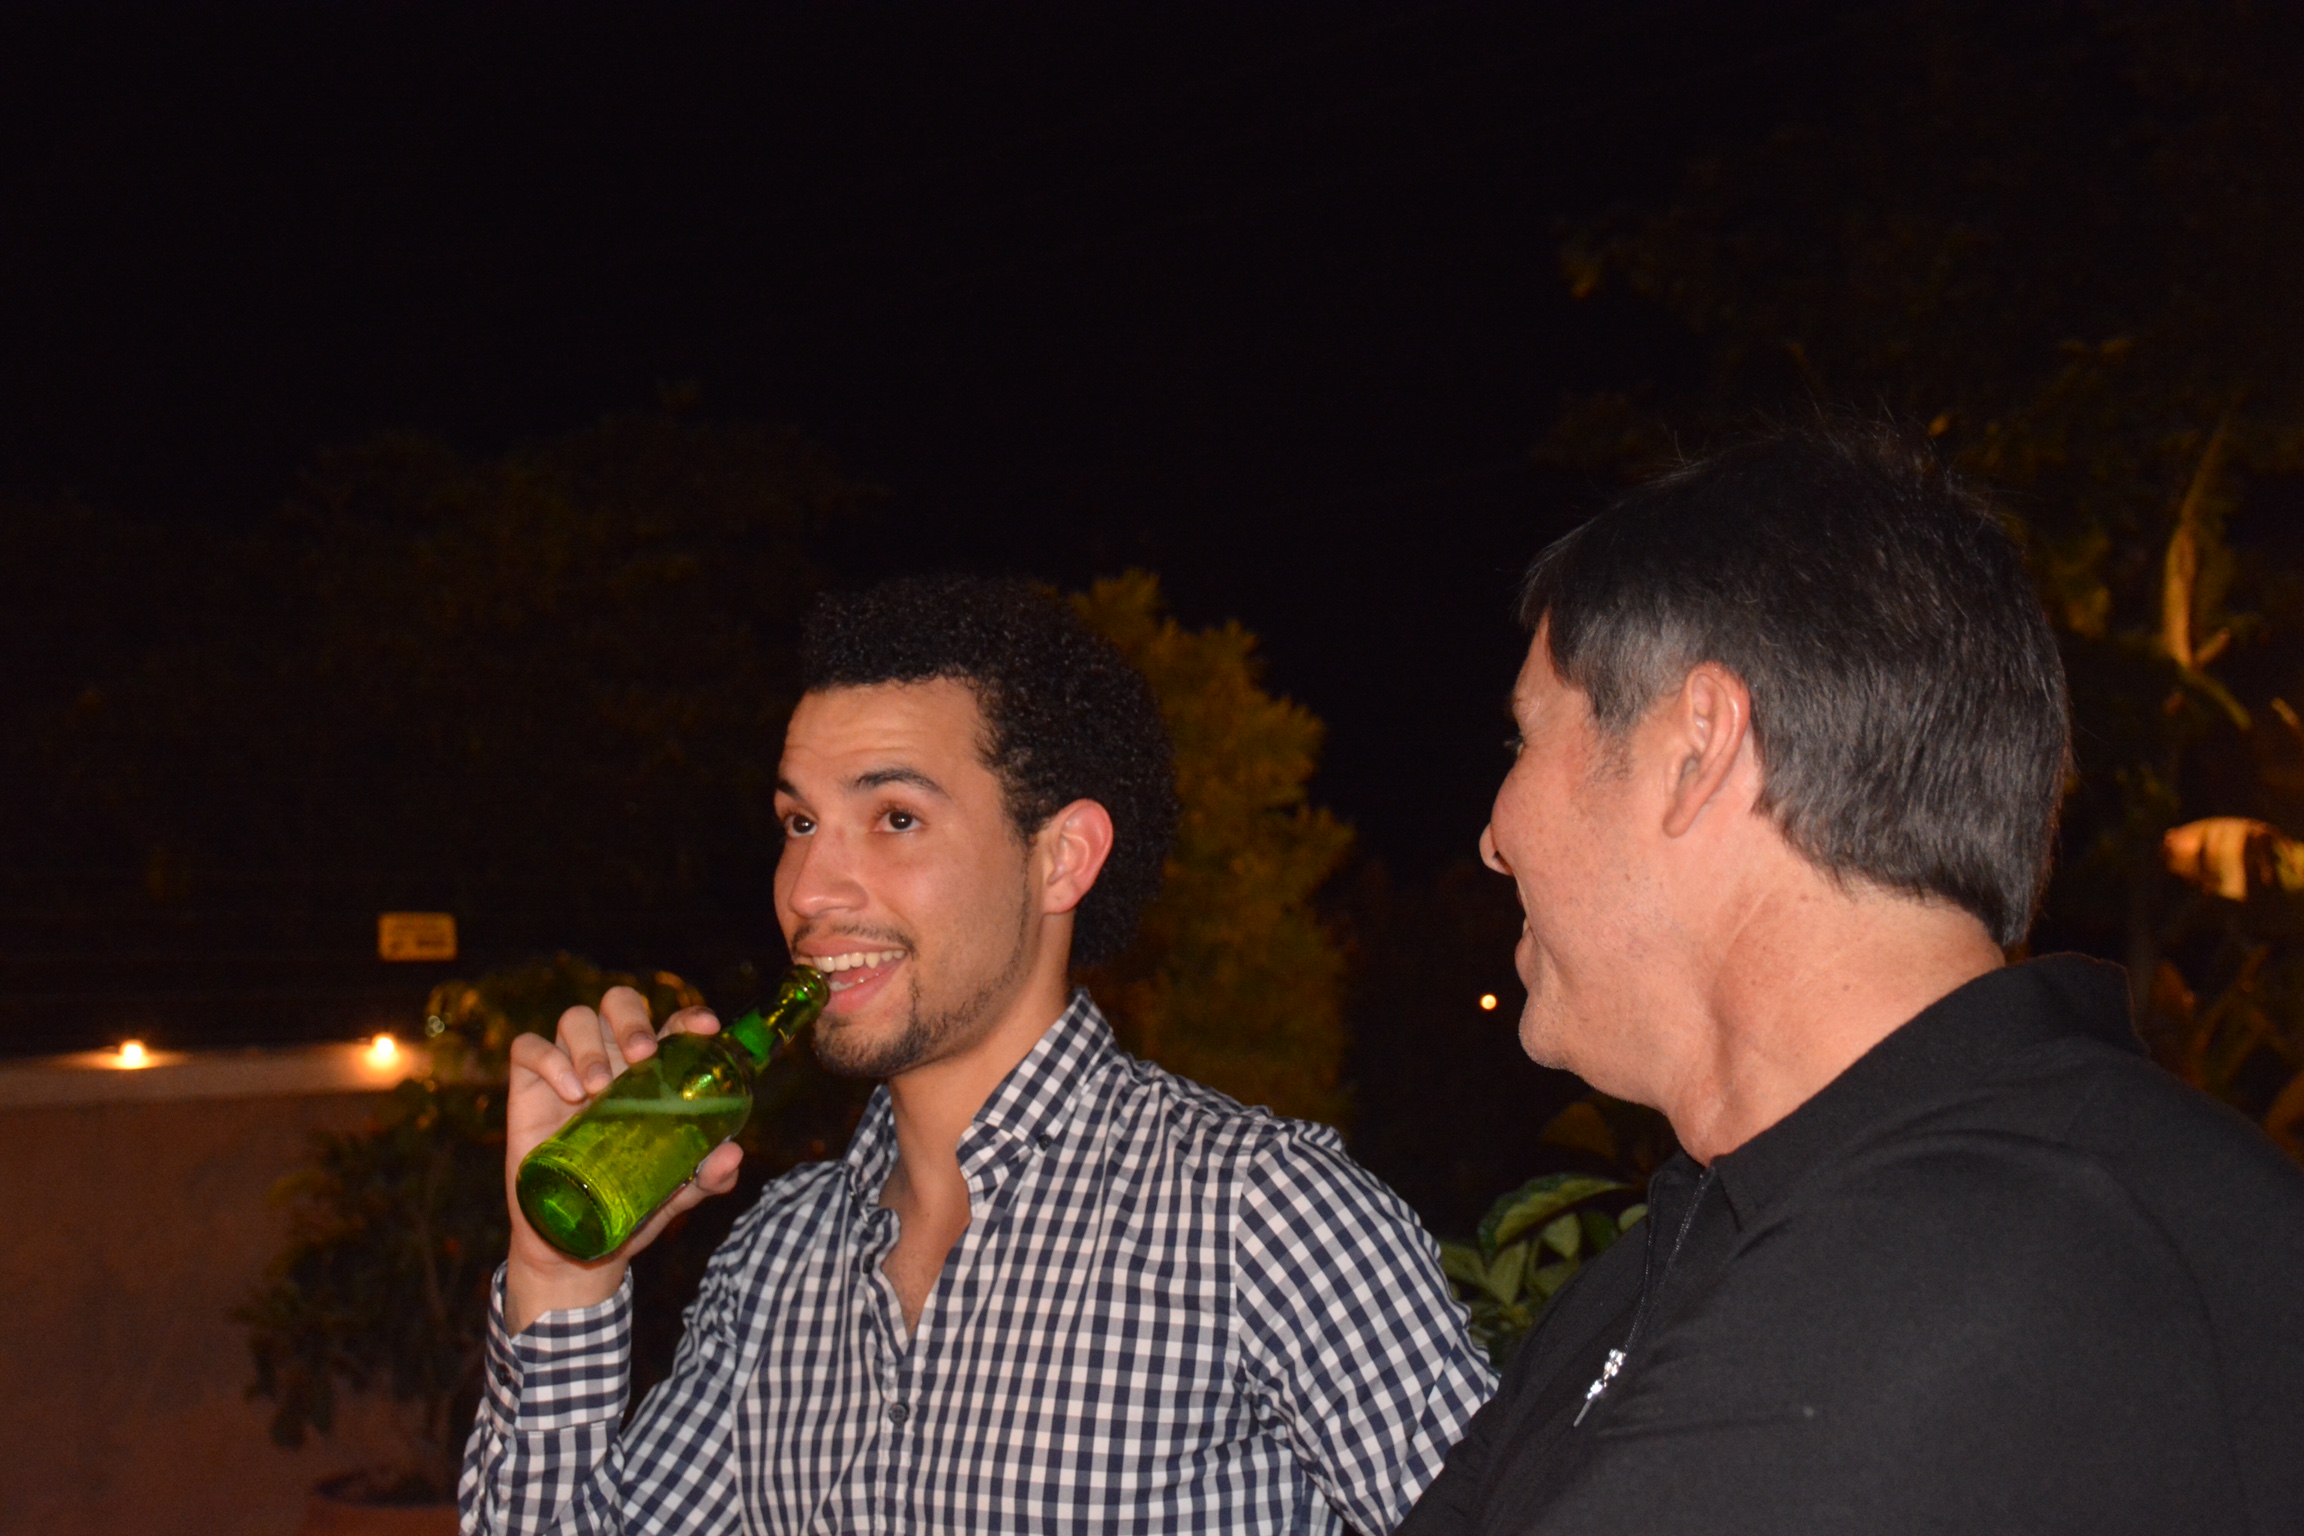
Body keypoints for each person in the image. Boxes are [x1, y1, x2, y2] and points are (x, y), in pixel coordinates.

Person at [1398, 424, 2304, 1535]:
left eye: (1524, 740)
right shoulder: (1700, 1244)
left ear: (1698, 750)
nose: (1493, 839)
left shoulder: (1995, 1253)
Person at [460, 574, 1494, 1535]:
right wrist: (560, 1274)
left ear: (1062, 859)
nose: (809, 888)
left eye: (895, 817)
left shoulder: (1260, 1218)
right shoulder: (777, 1263)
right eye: (800, 820)